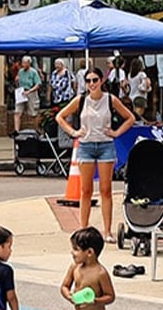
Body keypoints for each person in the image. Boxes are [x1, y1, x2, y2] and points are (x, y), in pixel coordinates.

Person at [57, 68, 138, 236]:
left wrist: (116, 133)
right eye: (88, 81)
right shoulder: (80, 100)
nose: (92, 84)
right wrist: (73, 132)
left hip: (105, 145)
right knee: (86, 190)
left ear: (101, 81)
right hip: (86, 146)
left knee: (105, 189)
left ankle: (107, 231)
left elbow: (130, 118)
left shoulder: (110, 99)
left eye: (95, 80)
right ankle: (83, 229)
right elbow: (60, 116)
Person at [12, 56, 43, 132]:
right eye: (23, 62)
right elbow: (17, 84)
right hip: (22, 92)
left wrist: (29, 91)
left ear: (29, 63)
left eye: (25, 63)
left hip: (31, 91)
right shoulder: (20, 71)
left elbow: (38, 84)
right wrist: (16, 80)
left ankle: (36, 130)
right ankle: (16, 130)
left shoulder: (33, 72)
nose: (23, 64)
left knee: (33, 113)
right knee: (17, 112)